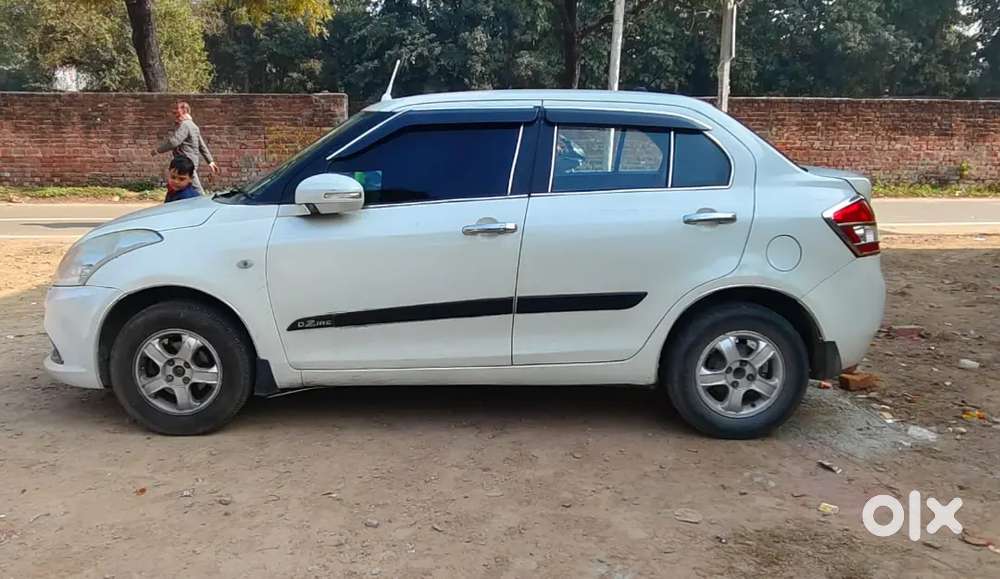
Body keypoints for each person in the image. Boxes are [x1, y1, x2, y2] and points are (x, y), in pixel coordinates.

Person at [152, 101, 219, 193]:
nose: (174, 112)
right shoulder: (193, 126)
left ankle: (203, 200)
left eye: (176, 110)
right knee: (181, 186)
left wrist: (157, 151)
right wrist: (210, 161)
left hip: (186, 162)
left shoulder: (185, 125)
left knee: (196, 188)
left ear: (184, 111)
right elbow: (202, 145)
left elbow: (174, 142)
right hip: (191, 160)